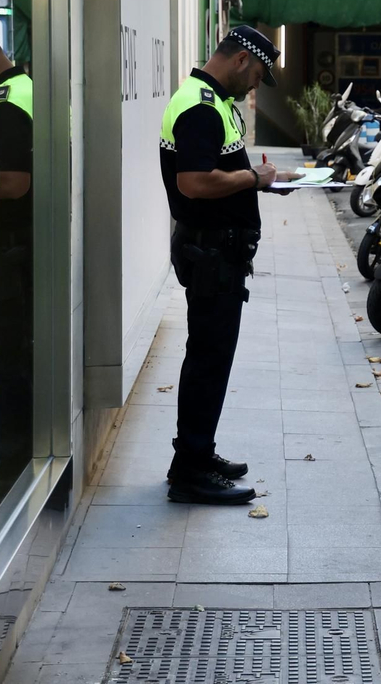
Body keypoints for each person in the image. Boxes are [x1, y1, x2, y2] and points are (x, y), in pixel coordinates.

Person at [159, 26, 297, 504]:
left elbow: (218, 173)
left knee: (210, 358)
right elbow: (195, 183)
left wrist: (259, 181)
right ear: (241, 59)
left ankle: (197, 453)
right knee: (208, 359)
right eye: (258, 73)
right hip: (211, 252)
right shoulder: (200, 107)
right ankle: (190, 471)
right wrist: (254, 179)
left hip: (218, 250)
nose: (256, 84)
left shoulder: (211, 101)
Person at [0, 39, 33, 503]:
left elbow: (13, 183)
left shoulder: (10, 100)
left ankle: (12, 471)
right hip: (24, 246)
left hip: (14, 247)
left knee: (13, 359)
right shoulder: (24, 87)